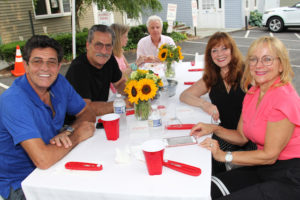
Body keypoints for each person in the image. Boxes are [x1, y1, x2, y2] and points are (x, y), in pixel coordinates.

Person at [191, 36, 300, 199]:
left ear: (281, 65)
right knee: (205, 189)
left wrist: (225, 156)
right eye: (254, 59)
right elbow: (242, 137)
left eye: (267, 59)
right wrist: (213, 128)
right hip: (263, 168)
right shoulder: (253, 92)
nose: (259, 65)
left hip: (289, 175)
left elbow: (269, 156)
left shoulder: (283, 99)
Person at [0, 35, 96, 200]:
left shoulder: (59, 83)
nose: (44, 68)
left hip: (55, 165)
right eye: (37, 61)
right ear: (26, 65)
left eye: (51, 62)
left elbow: (87, 112)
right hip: (22, 184)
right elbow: (43, 160)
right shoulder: (13, 100)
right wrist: (77, 135)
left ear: (59, 66)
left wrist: (69, 131)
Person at [180, 32, 256, 174]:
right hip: (227, 132)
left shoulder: (248, 73)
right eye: (214, 50)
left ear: (232, 50)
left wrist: (213, 128)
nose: (219, 54)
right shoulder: (213, 77)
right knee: (204, 153)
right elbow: (185, 95)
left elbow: (242, 139)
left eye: (224, 48)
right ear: (210, 55)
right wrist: (205, 104)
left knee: (247, 174)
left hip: (251, 137)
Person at [65, 24, 130, 119]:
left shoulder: (110, 59)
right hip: (77, 123)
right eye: (98, 45)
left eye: (108, 46)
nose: (104, 51)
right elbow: (85, 108)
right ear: (88, 45)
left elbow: (120, 83)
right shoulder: (78, 68)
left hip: (100, 116)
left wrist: (135, 92)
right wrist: (123, 103)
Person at [108, 23, 132, 99]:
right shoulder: (109, 57)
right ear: (118, 38)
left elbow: (128, 68)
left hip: (126, 87)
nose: (127, 39)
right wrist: (137, 64)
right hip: (118, 95)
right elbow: (119, 77)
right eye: (125, 36)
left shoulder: (120, 53)